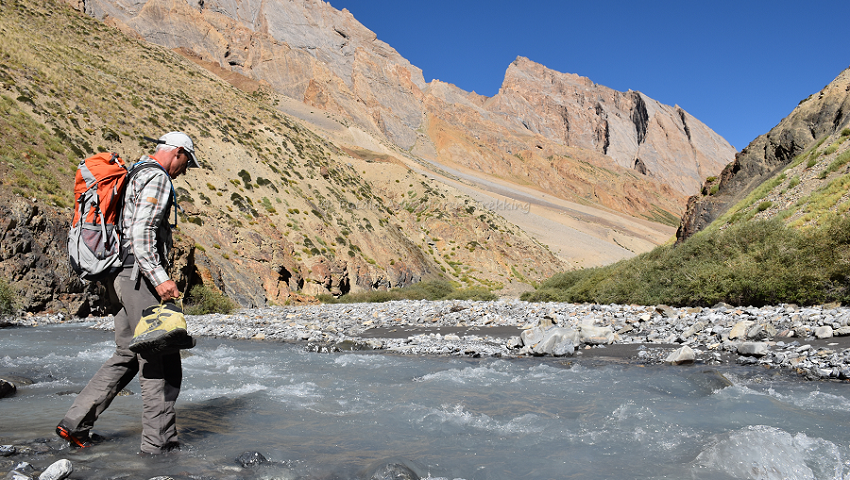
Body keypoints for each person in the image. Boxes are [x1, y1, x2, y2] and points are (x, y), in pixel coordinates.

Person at [56, 131, 200, 454]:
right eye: (186, 162)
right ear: (176, 153)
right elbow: (142, 233)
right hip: (139, 278)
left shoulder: (133, 172)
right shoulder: (158, 179)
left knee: (127, 354)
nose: (185, 170)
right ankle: (159, 446)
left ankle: (75, 423)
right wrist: (160, 278)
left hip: (116, 278)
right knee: (159, 357)